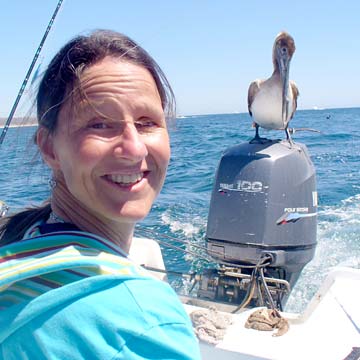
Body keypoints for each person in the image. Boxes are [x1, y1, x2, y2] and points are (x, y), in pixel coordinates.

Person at [0, 29, 201, 359]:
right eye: (100, 124)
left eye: (147, 122)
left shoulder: (20, 249)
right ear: (49, 147)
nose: (134, 149)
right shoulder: (145, 323)